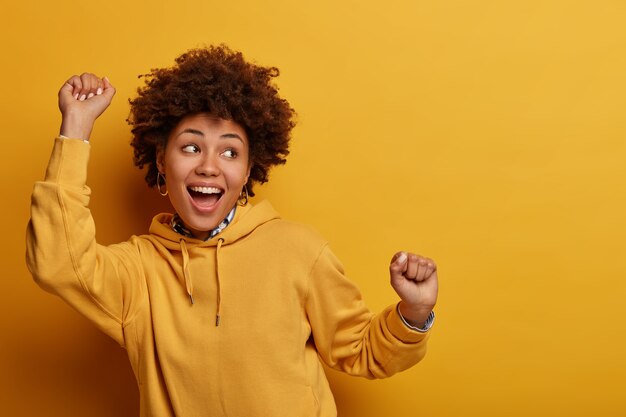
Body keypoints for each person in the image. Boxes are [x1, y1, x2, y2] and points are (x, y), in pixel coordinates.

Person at [26, 45, 438, 417]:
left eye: (230, 151)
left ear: (246, 173)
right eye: (190, 147)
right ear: (161, 163)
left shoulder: (299, 250)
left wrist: (414, 313)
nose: (209, 165)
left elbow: (362, 351)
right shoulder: (139, 271)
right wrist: (76, 127)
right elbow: (59, 262)